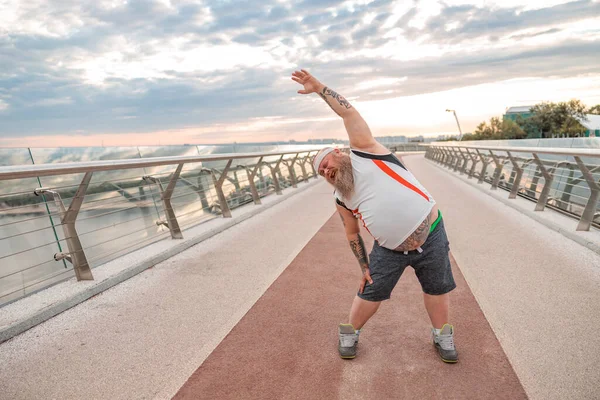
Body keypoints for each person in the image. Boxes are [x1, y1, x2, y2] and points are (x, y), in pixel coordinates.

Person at [291, 69, 458, 363]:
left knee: (437, 286)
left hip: (430, 233)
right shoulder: (341, 197)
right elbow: (352, 233)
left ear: (339, 152)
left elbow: (348, 114)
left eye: (326, 163)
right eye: (321, 172)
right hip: (389, 250)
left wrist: (319, 88)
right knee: (371, 290)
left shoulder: (366, 152)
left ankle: (442, 335)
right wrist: (363, 265)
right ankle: (350, 332)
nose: (326, 171)